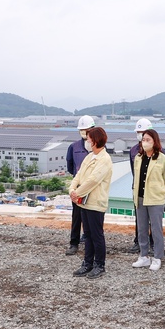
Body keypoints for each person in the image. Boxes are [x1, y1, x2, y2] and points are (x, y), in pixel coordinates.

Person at [69, 127, 113, 279]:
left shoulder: (105, 159)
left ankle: (99, 265)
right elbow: (79, 175)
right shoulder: (89, 157)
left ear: (95, 140)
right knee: (87, 234)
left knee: (96, 235)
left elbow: (93, 180)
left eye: (89, 139)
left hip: (95, 203)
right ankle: (87, 263)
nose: (87, 141)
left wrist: (77, 193)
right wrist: (72, 190)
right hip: (83, 203)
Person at [131, 129, 165, 271]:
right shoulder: (138, 157)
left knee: (156, 229)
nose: (145, 142)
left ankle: (157, 257)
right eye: (143, 139)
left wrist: (160, 194)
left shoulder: (162, 159)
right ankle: (143, 256)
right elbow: (136, 178)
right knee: (141, 228)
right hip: (140, 197)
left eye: (148, 139)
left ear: (155, 141)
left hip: (155, 199)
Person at [65, 115, 96, 256]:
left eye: (87, 130)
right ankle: (74, 243)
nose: (84, 132)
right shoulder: (74, 147)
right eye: (81, 130)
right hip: (79, 187)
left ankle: (91, 242)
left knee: (92, 217)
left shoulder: (99, 147)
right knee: (76, 216)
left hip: (94, 187)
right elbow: (71, 167)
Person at [128, 118, 155, 254]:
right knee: (140, 217)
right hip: (138, 189)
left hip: (153, 190)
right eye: (138, 132)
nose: (140, 135)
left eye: (142, 132)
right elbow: (134, 171)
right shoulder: (133, 150)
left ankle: (153, 242)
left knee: (154, 218)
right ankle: (138, 241)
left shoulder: (158, 150)